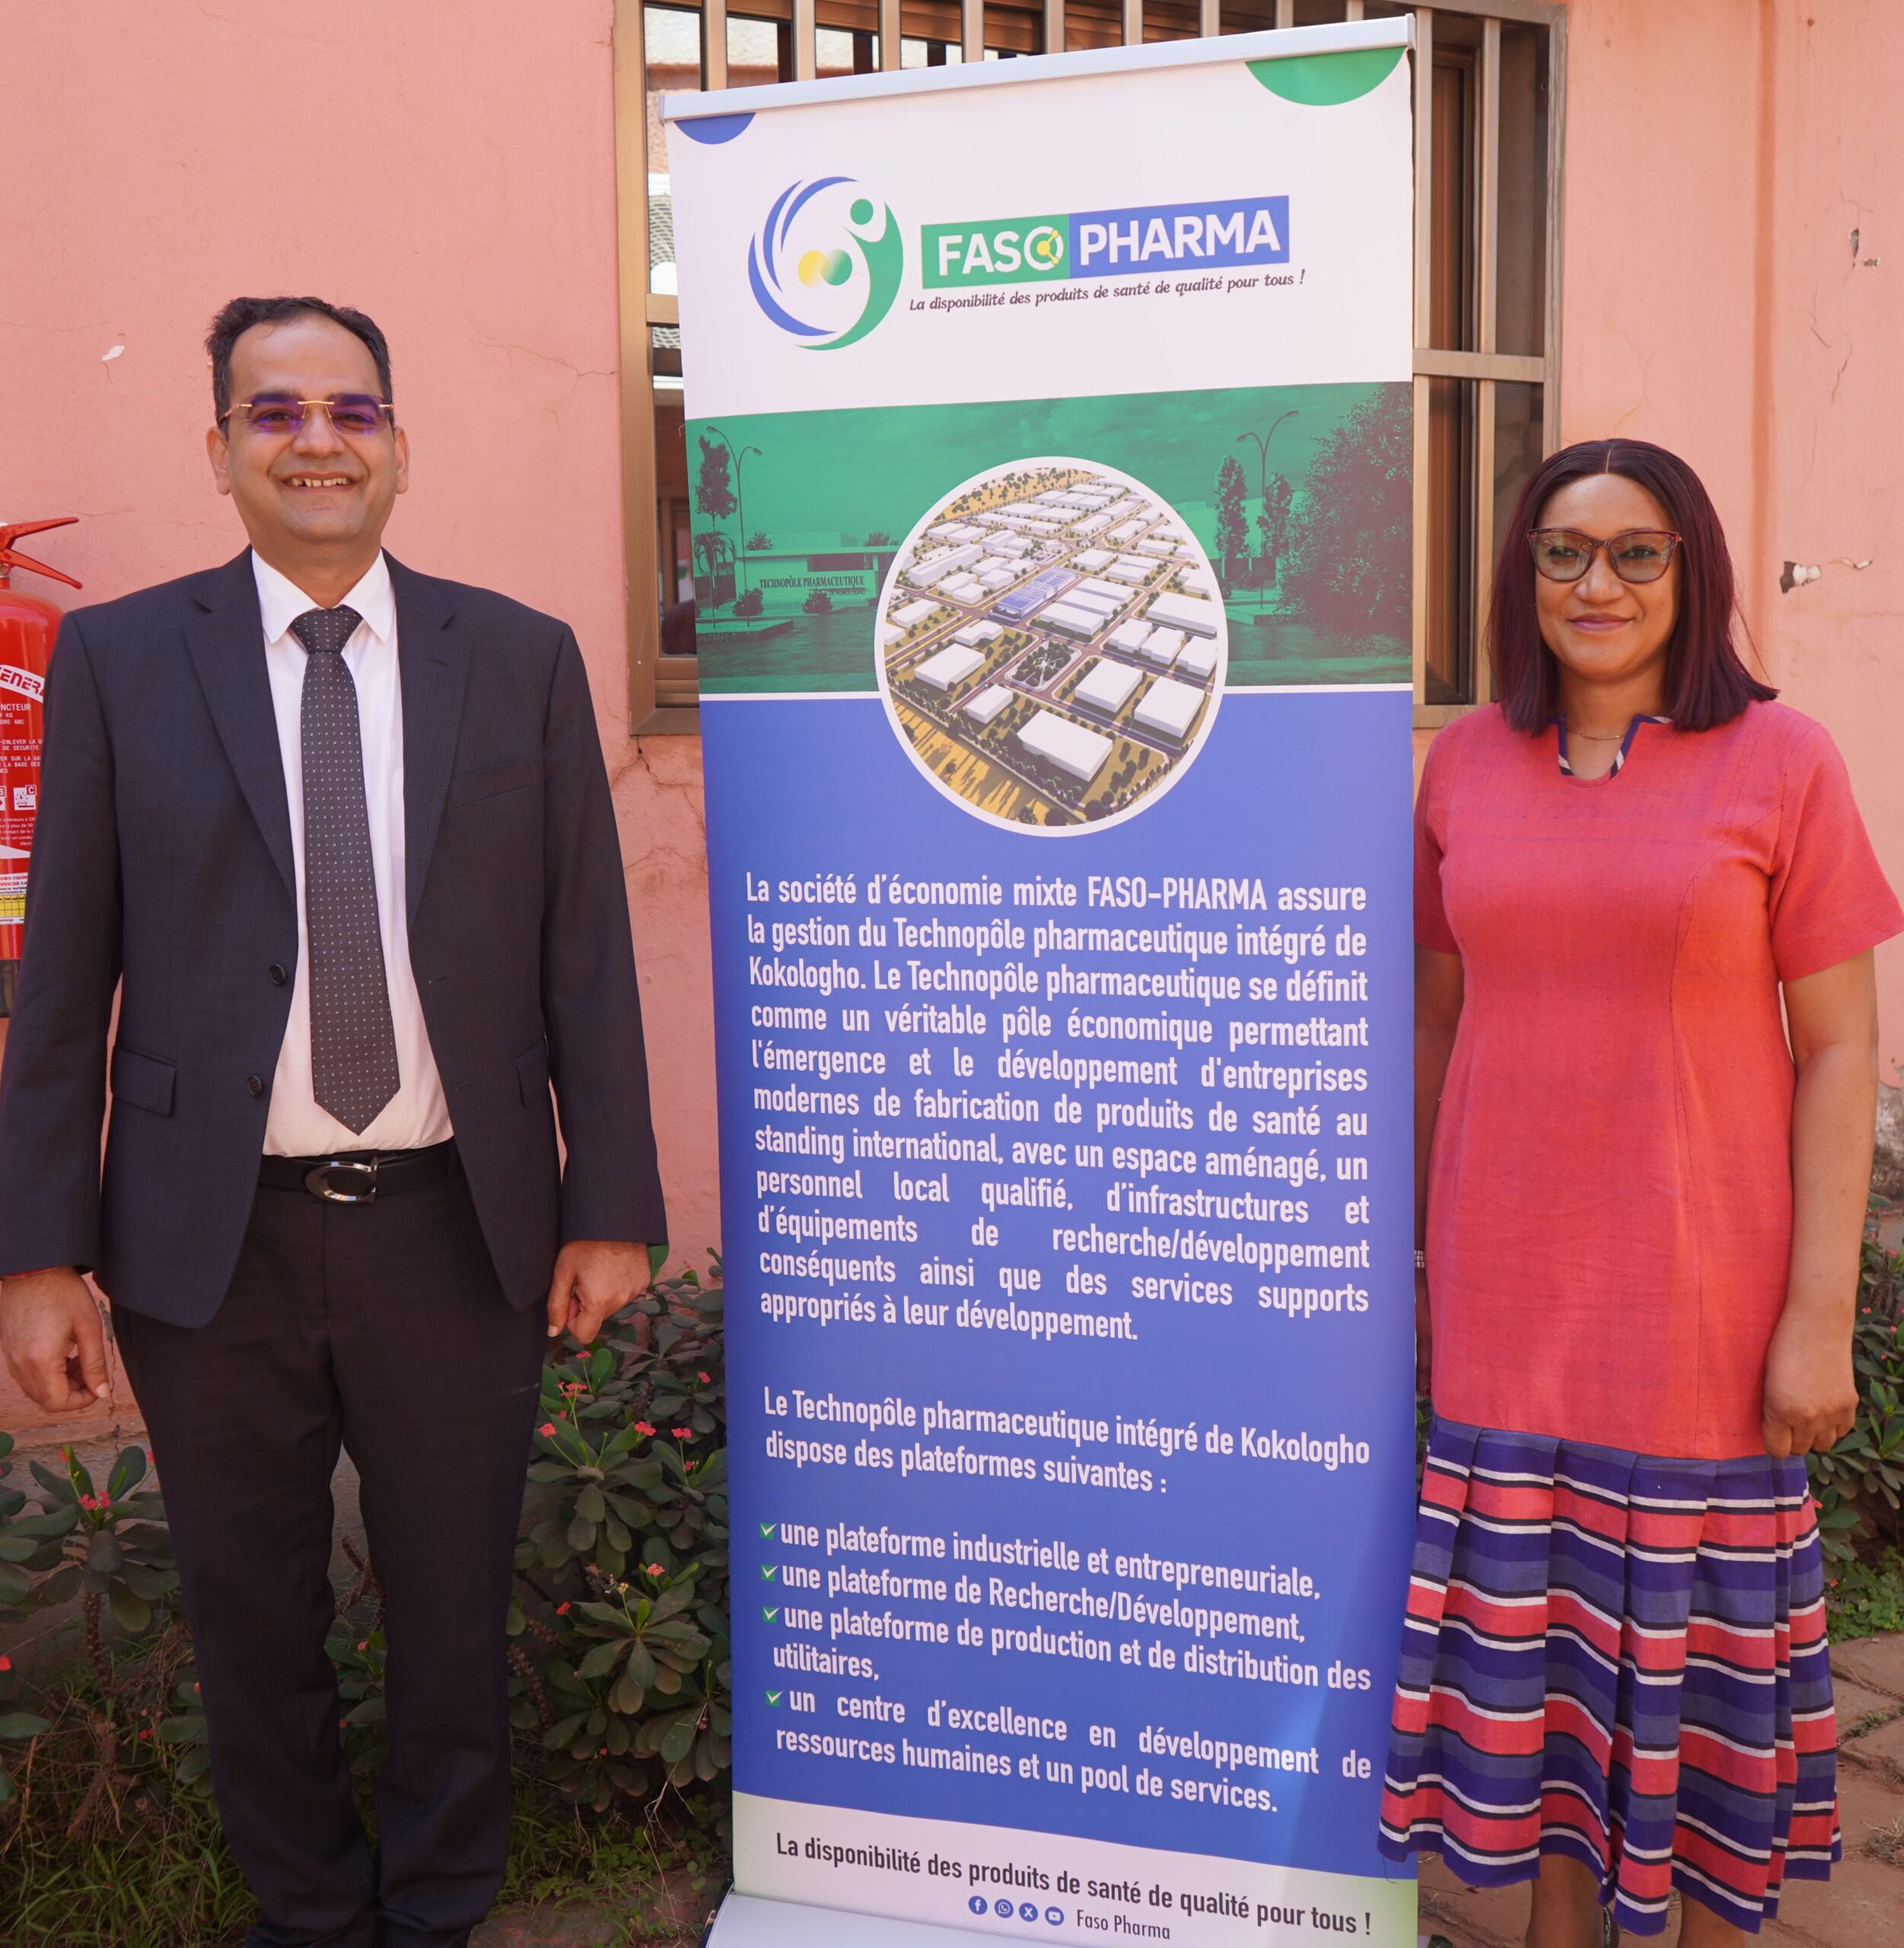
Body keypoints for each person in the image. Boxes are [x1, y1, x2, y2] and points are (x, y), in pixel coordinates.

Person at [0, 295, 667, 1948]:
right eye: (275, 411)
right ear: (219, 448)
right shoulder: (123, 662)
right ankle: (304, 1913)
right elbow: (62, 974)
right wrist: (38, 1253)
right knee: (251, 1619)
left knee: (452, 1613)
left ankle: (435, 1909)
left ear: (399, 445)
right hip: (204, 1239)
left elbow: (584, 952)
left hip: (453, 1224)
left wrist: (609, 1203)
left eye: (350, 409)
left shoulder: (515, 654)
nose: (317, 439)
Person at [1378, 439, 1901, 1948]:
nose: (1594, 582)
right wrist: (1417, 1260)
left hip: (1700, 1308)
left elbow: (1840, 1046)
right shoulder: (1463, 765)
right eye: (1562, 550)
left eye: (1634, 551)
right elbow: (1433, 1020)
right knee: (1543, 1680)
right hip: (1505, 1306)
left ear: (1690, 570)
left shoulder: (1782, 761)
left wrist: (1817, 1316)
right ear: (1520, 576)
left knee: (1695, 1704)